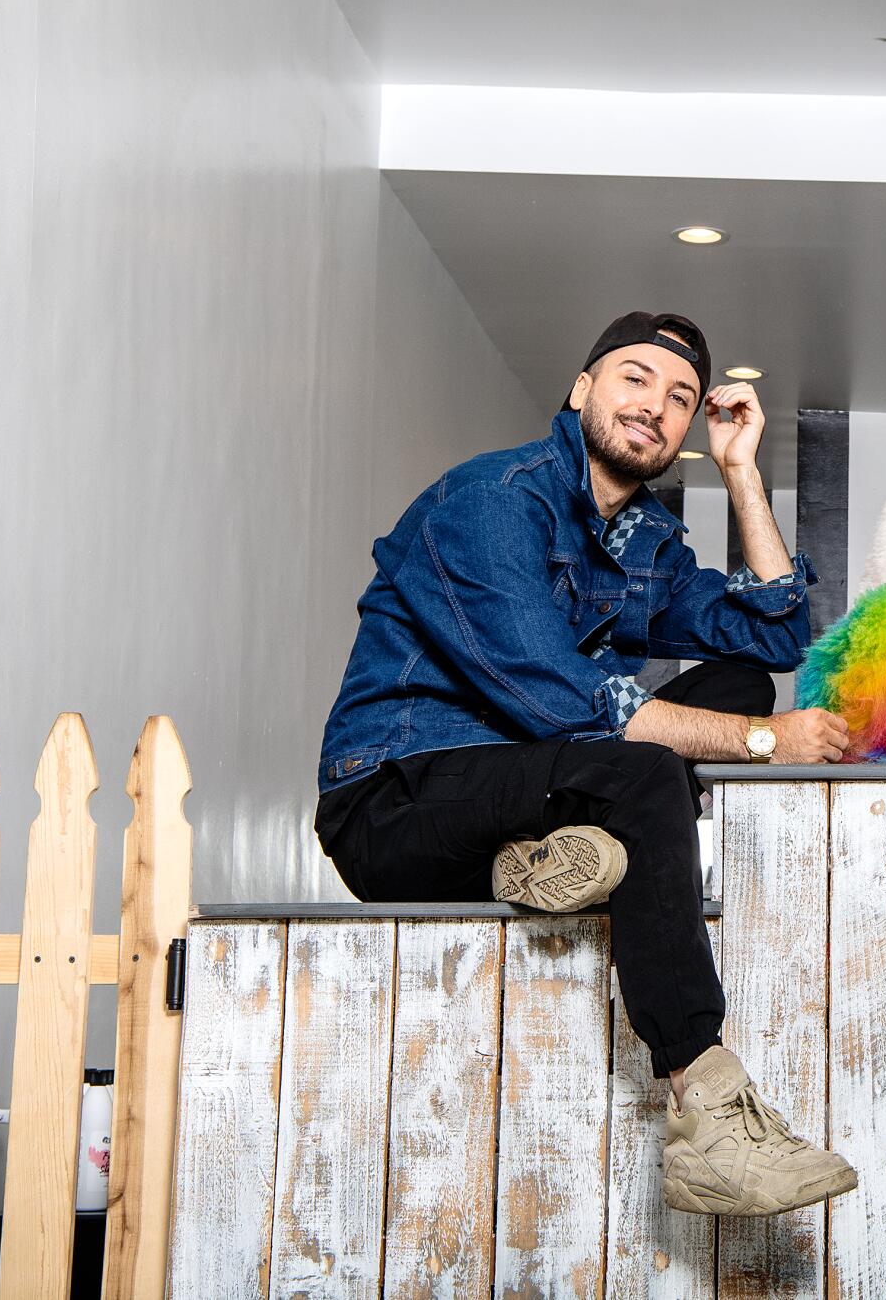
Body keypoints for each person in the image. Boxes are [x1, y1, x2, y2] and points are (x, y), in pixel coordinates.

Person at [315, 310, 857, 1218]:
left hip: (511, 796)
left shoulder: (639, 538)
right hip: (394, 797)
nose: (657, 406)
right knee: (652, 761)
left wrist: (740, 470)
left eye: (681, 396)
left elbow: (776, 633)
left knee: (734, 685)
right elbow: (562, 702)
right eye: (635, 379)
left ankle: (550, 858)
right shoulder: (492, 500)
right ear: (582, 389)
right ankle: (706, 1110)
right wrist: (765, 746)